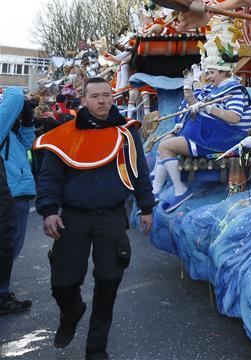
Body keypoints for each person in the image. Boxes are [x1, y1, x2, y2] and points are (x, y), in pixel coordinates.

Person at [34, 77, 154, 360]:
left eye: (106, 95)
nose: (102, 101)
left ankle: (96, 348)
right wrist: (49, 211)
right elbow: (50, 177)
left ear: (112, 97)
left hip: (111, 217)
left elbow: (139, 171)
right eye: (95, 96)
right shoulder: (64, 134)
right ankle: (71, 312)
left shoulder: (127, 133)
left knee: (109, 281)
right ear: (84, 100)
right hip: (72, 218)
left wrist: (146, 207)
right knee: (63, 282)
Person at [152, 19, 251, 212]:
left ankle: (180, 190)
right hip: (214, 133)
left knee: (165, 146)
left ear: (224, 71)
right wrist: (190, 86)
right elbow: (196, 101)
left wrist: (208, 108)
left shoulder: (234, 90)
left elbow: (234, 118)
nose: (208, 77)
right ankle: (155, 187)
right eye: (207, 72)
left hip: (227, 138)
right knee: (167, 138)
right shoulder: (218, 88)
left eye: (211, 72)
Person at [0, 88, 36, 315]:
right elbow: (13, 95)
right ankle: (1, 295)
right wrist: (21, 98)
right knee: (7, 247)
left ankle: (3, 293)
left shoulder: (7, 130)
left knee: (12, 246)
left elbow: (26, 143)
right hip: (9, 193)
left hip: (17, 191)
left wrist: (27, 121)